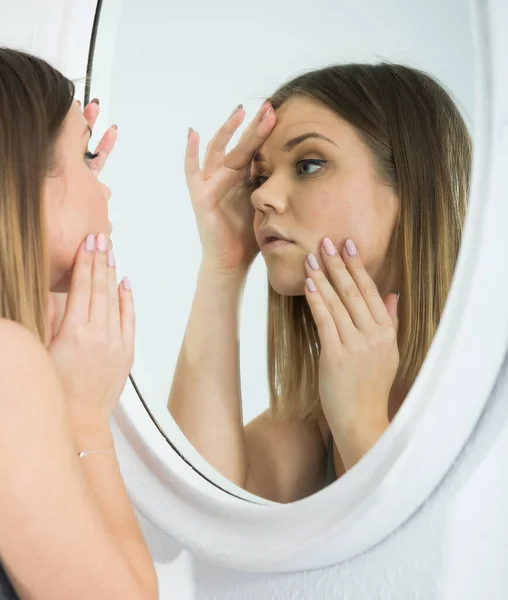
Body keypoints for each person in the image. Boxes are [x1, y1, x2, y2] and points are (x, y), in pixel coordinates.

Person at [168, 62, 472, 503]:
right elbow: (201, 503)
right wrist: (223, 267)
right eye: (261, 177)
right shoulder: (317, 419)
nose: (261, 196)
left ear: (411, 183)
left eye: (308, 165)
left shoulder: (485, 388)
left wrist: (361, 424)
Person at [0, 45, 158, 598]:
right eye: (84, 156)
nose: (102, 187)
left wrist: (52, 214)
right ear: (17, 179)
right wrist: (83, 415)